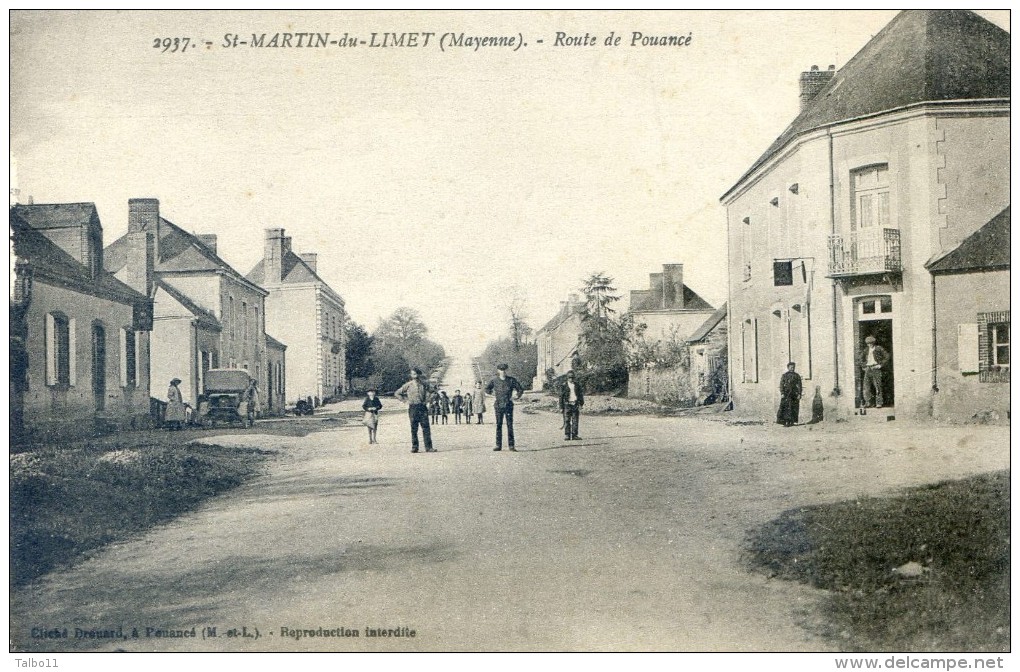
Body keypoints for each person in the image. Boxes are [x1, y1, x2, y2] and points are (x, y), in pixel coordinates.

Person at [485, 363, 524, 451]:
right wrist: (492, 394)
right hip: (498, 405)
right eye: (501, 370)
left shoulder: (511, 380)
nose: (503, 372)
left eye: (504, 370)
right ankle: (498, 445)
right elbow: (487, 389)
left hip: (508, 405)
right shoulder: (494, 381)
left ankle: (511, 446)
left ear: (506, 370)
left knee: (510, 425)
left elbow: (520, 389)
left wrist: (516, 396)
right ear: (498, 371)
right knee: (498, 425)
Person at [395, 368, 435, 453]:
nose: (415, 376)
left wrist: (427, 401)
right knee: (414, 428)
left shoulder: (425, 384)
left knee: (426, 428)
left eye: (416, 374)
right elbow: (397, 393)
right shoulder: (408, 385)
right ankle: (414, 447)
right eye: (413, 374)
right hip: (413, 408)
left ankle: (429, 447)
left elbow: (434, 392)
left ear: (419, 375)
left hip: (422, 407)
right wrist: (405, 401)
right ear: (411, 375)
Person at [858, 335, 890, 408]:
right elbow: (860, 358)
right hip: (868, 368)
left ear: (873, 343)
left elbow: (887, 356)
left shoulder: (879, 349)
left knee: (877, 386)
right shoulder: (866, 350)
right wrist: (864, 366)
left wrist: (880, 365)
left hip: (876, 368)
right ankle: (868, 402)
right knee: (866, 386)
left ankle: (879, 403)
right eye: (868, 344)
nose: (869, 345)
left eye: (871, 343)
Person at [559, 370, 585, 440]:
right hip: (567, 405)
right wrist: (561, 407)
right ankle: (567, 435)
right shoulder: (564, 385)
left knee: (575, 420)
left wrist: (581, 404)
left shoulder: (577, 385)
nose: (571, 379)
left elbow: (580, 395)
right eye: (570, 377)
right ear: (567, 378)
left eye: (572, 377)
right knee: (567, 420)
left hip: (575, 404)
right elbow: (561, 396)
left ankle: (574, 435)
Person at [777, 362, 803, 427]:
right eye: (791, 367)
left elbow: (800, 385)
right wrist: (782, 393)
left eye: (793, 367)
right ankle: (786, 422)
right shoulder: (785, 375)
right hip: (786, 393)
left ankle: (794, 421)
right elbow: (781, 385)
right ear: (788, 368)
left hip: (794, 393)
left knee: (794, 407)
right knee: (786, 407)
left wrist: (799, 394)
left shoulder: (797, 375)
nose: (792, 368)